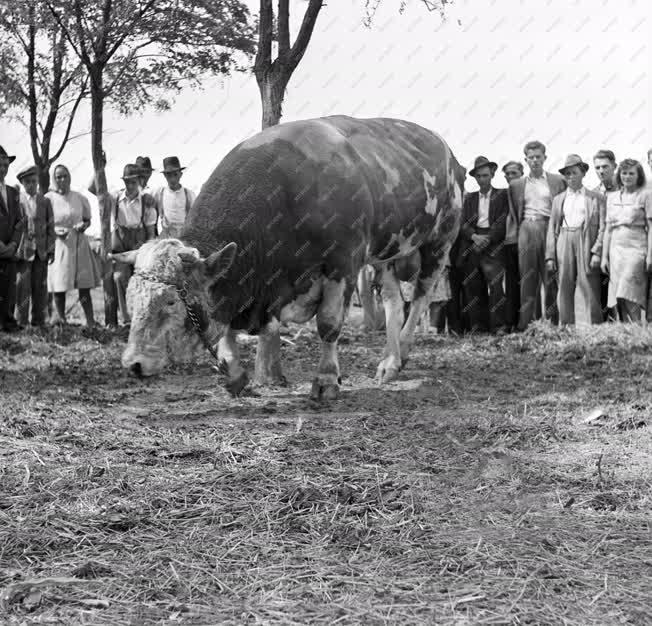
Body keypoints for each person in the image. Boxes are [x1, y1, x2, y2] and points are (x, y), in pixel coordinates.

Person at [508, 140, 566, 330]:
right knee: (527, 277)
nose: (534, 161)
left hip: (548, 226)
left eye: (538, 157)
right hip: (527, 227)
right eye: (531, 157)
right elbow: (514, 212)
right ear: (525, 160)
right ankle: (527, 324)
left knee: (550, 275)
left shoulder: (557, 181)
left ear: (544, 158)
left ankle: (551, 322)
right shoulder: (516, 185)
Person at [545, 155, 604, 325]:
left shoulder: (596, 198)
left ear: (583, 173)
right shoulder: (558, 199)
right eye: (567, 173)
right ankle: (566, 326)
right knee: (564, 284)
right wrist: (550, 255)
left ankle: (595, 327)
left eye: (574, 172)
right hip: (564, 238)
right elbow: (552, 228)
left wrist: (597, 252)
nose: (570, 176)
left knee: (590, 284)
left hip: (585, 240)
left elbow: (602, 227)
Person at [456, 156, 509, 333]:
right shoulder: (469, 198)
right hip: (474, 241)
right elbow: (463, 223)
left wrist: (488, 238)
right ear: (475, 178)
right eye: (478, 176)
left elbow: (503, 221)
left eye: (485, 175)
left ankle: (499, 326)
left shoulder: (501, 195)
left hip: (493, 244)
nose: (482, 179)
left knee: (495, 286)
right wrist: (474, 237)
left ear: (492, 174)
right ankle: (478, 328)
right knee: (474, 286)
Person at [46, 165, 101, 326]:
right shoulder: (48, 198)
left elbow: (87, 219)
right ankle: (62, 320)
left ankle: (90, 320)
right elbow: (43, 222)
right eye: (58, 177)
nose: (62, 180)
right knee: (59, 283)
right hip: (59, 245)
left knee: (83, 284)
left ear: (70, 177)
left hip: (79, 244)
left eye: (65, 176)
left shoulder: (79, 197)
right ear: (54, 179)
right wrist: (55, 231)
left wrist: (84, 226)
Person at [601, 159, 652, 323]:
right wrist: (604, 257)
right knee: (618, 294)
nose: (627, 177)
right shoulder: (612, 197)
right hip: (615, 249)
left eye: (631, 173)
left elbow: (651, 228)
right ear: (619, 175)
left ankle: (636, 329)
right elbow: (608, 229)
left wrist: (650, 255)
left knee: (629, 290)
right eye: (624, 173)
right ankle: (625, 332)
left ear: (639, 176)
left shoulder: (646, 195)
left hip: (636, 248)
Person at [110, 164, 158, 325]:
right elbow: (93, 188)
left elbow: (151, 232)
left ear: (139, 181)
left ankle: (143, 319)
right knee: (119, 278)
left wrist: (147, 251)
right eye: (127, 182)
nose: (129, 186)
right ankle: (126, 320)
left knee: (142, 281)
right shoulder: (115, 199)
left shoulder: (148, 202)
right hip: (120, 248)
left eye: (133, 182)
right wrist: (101, 166)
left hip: (140, 247)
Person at [14, 165, 55, 327]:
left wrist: (51, 249)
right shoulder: (18, 201)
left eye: (34, 181)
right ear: (23, 184)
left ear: (38, 182)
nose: (31, 185)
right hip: (24, 250)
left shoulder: (44, 201)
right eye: (27, 182)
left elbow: (51, 227)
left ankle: (39, 321)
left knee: (40, 287)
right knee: (23, 287)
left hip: (41, 250)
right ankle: (21, 322)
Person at [0, 145, 24, 332]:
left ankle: (8, 322)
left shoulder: (13, 192)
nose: (3, 169)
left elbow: (19, 222)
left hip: (10, 250)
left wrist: (14, 244)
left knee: (9, 288)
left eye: (6, 165)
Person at [592, 149, 618, 320]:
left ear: (614, 166)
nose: (601, 171)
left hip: (622, 244)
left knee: (623, 289)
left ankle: (629, 326)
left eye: (605, 167)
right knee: (601, 287)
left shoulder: (626, 188)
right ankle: (606, 325)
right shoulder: (594, 193)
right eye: (598, 167)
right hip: (602, 246)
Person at [502, 160, 524, 332]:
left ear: (521, 174)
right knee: (511, 284)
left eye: (514, 173)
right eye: (507, 174)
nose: (510, 177)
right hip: (509, 242)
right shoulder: (503, 193)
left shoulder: (527, 191)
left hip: (526, 240)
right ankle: (511, 322)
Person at [154, 156, 196, 238]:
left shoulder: (189, 194)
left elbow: (194, 218)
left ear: (180, 174)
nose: (172, 178)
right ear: (165, 176)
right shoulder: (159, 193)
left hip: (184, 235)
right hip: (166, 236)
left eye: (175, 174)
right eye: (169, 175)